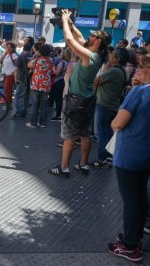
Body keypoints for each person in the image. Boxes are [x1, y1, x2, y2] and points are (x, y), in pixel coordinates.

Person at [49, 9, 111, 178]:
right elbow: (77, 36)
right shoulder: (95, 55)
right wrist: (70, 23)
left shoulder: (88, 55)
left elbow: (69, 40)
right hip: (88, 99)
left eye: (92, 36)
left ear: (97, 41)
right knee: (84, 134)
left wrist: (64, 21)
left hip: (75, 100)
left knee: (69, 136)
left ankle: (64, 168)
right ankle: (83, 164)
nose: (88, 37)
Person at [107, 53, 150, 263]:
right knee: (140, 196)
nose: (137, 71)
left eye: (140, 68)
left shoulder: (139, 92)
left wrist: (134, 90)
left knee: (131, 200)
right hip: (148, 153)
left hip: (130, 154)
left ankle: (129, 245)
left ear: (149, 71)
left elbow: (117, 123)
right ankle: (135, 236)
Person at [89, 48, 129, 168]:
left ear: (117, 58)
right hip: (112, 104)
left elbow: (96, 81)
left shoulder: (113, 71)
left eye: (112, 55)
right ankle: (107, 157)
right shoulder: (122, 70)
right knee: (106, 132)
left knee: (101, 133)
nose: (110, 56)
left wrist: (104, 70)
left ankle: (101, 158)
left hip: (104, 105)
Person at [26, 44, 54, 128]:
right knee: (44, 105)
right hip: (46, 85)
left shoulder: (37, 59)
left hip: (36, 84)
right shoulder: (51, 60)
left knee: (35, 104)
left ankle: (33, 123)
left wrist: (34, 56)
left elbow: (28, 65)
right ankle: (43, 123)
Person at [10, 43, 33, 119]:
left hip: (22, 78)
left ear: (23, 49)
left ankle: (18, 112)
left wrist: (15, 78)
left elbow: (16, 69)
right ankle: (24, 111)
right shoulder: (32, 57)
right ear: (30, 49)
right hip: (30, 79)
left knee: (17, 96)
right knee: (26, 96)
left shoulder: (21, 56)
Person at [50, 48, 71, 121]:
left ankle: (58, 115)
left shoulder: (62, 63)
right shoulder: (70, 63)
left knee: (58, 99)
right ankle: (63, 114)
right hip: (67, 81)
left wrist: (53, 68)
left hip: (59, 81)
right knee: (64, 99)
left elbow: (57, 73)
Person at [0, 42, 19, 106]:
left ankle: (8, 105)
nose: (7, 48)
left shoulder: (14, 55)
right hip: (6, 75)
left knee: (8, 91)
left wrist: (13, 72)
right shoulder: (7, 54)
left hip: (11, 75)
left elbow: (17, 66)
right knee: (7, 90)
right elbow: (0, 61)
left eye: (9, 47)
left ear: (13, 48)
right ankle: (7, 104)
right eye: (6, 47)